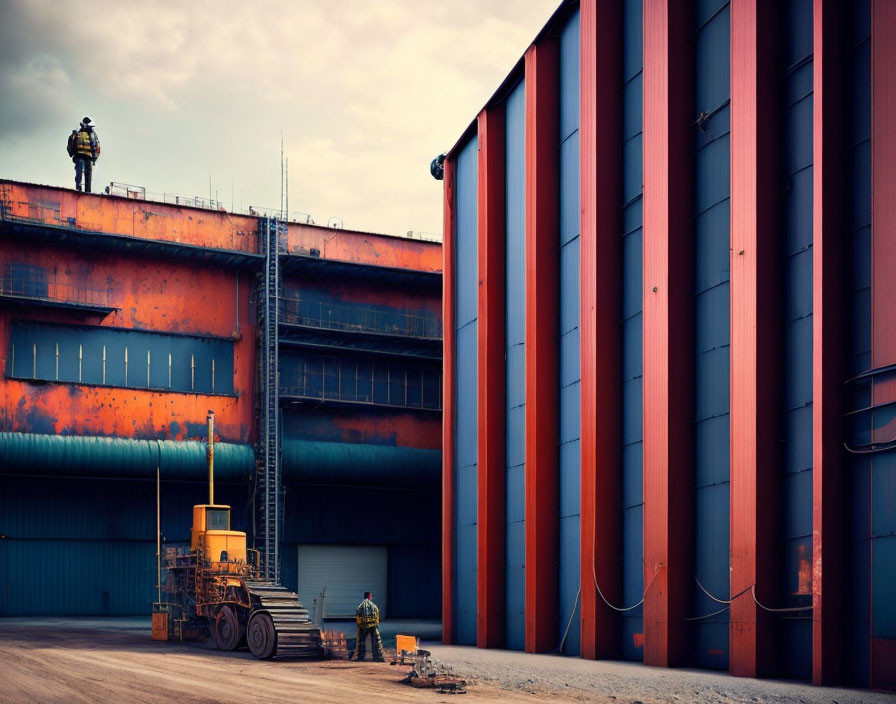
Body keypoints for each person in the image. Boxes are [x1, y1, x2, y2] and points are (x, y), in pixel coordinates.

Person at [69, 116, 100, 193]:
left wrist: (94, 158)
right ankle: (79, 189)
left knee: (87, 175)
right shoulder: (77, 134)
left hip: (87, 158)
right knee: (80, 175)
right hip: (80, 157)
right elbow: (71, 145)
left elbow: (96, 146)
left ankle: (86, 191)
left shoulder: (91, 135)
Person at [353, 591, 384, 662]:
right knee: (376, 642)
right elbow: (377, 616)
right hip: (373, 626)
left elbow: (358, 616)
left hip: (363, 626)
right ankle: (378, 657)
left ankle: (360, 657)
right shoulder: (373, 606)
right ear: (370, 596)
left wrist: (359, 625)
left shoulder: (360, 606)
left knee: (361, 642)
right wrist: (376, 624)